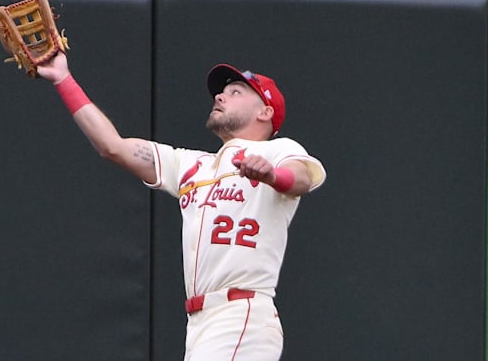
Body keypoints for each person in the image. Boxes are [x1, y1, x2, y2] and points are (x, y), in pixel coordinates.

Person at [37, 52, 326, 360]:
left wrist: (272, 174)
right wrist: (63, 78)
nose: (220, 95)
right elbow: (113, 146)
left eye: (235, 92)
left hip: (242, 314)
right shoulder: (192, 165)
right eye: (222, 91)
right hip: (202, 323)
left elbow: (301, 178)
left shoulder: (277, 150)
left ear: (265, 112)